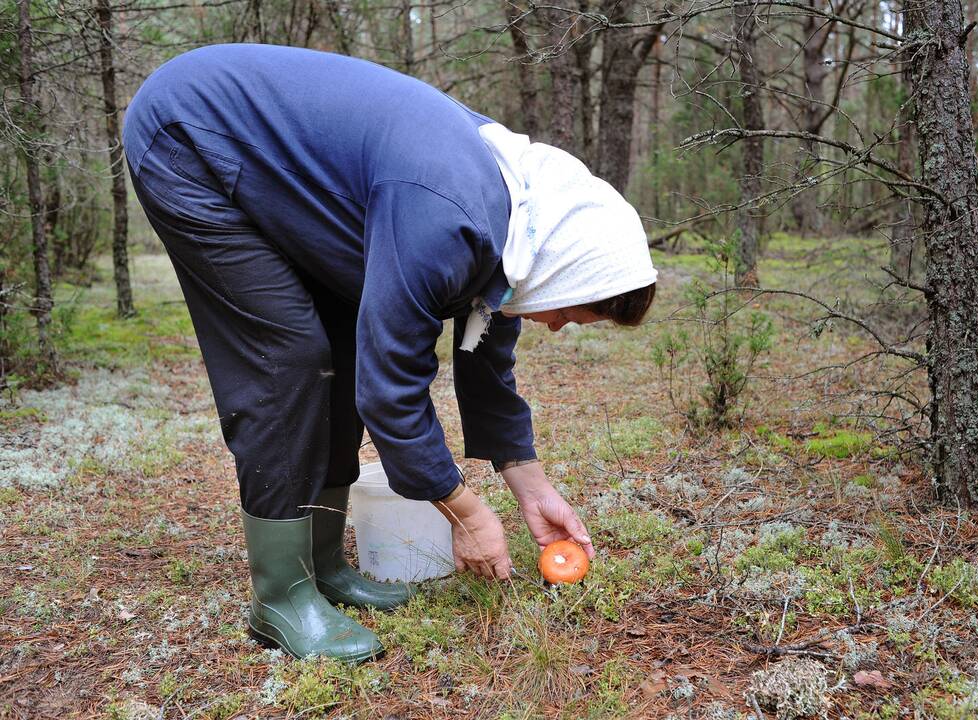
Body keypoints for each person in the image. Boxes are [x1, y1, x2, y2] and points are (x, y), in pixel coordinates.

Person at [123, 43, 657, 663]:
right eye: (572, 311)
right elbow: (391, 388)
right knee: (290, 358)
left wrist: (531, 488)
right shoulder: (450, 216)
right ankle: (281, 595)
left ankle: (321, 564)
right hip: (192, 136)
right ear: (566, 272)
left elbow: (484, 359)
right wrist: (463, 512)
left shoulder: (520, 236)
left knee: (347, 348)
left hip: (282, 174)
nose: (559, 325)